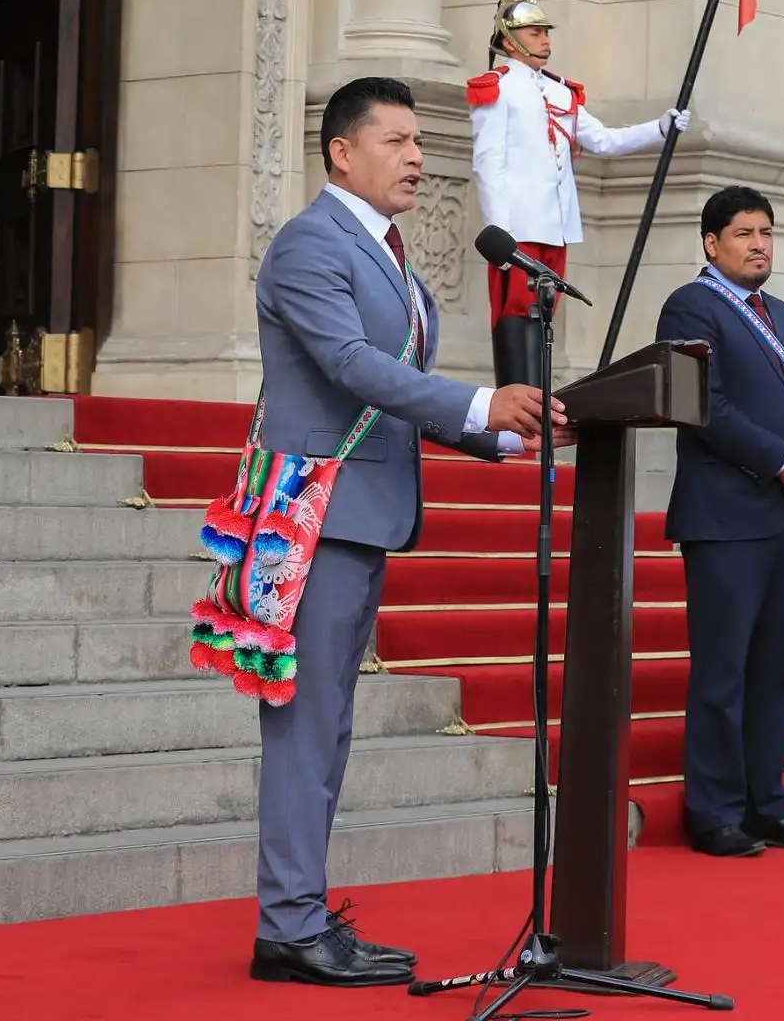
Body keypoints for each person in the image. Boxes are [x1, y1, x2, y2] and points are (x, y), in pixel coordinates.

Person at [248, 76, 566, 987]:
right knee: (307, 727)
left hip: (362, 515)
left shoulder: (384, 251)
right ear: (342, 151)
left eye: (419, 142)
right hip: (317, 516)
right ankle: (290, 926)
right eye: (396, 141)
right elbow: (350, 367)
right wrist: (480, 398)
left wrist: (506, 430)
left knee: (329, 724)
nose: (419, 158)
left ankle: (298, 914)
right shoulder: (311, 244)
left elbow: (394, 390)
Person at [655, 185, 784, 858]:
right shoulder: (691, 305)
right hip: (727, 518)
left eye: (766, 231)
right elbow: (700, 404)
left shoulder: (778, 312)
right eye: (744, 233)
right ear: (711, 244)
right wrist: (778, 460)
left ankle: (769, 804)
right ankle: (713, 811)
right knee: (723, 672)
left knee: (779, 672)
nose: (759, 243)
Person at [468, 0, 688, 387]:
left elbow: (603, 140)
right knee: (514, 310)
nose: (546, 39)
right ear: (509, 37)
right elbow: (488, 161)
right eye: (535, 32)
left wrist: (660, 128)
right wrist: (500, 232)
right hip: (517, 226)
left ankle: (538, 406)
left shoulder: (560, 92)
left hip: (555, 225)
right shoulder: (496, 87)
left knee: (544, 312)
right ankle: (517, 405)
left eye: (545, 31)